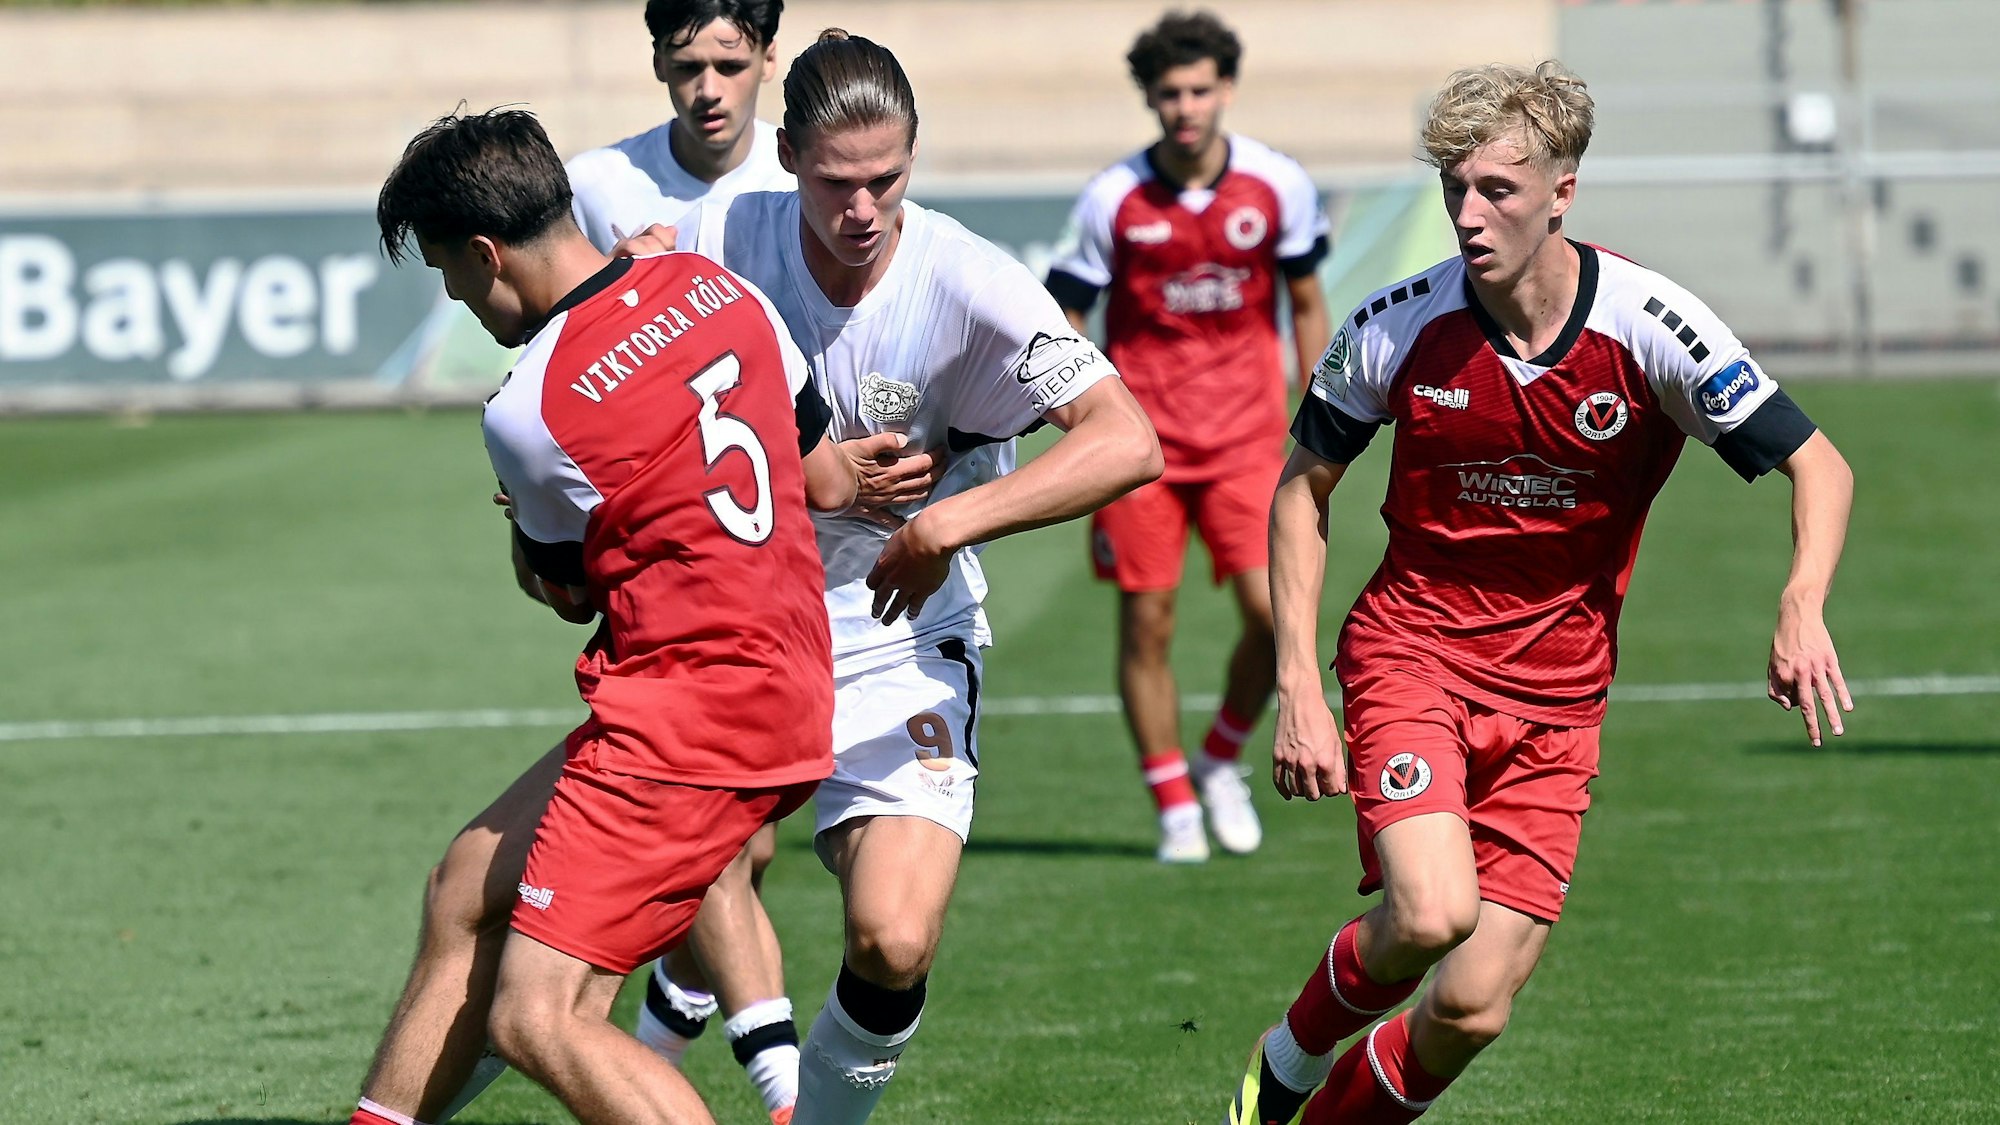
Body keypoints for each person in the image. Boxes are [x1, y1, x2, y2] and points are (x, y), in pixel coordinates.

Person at [1228, 61, 1854, 1124]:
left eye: (1497, 191)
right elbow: (1300, 493)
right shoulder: (1396, 326)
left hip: (1558, 703)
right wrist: (1296, 682)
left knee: (1470, 1008)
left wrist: (1801, 601)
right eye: (1453, 189)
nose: (1468, 216)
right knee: (1427, 917)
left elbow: (1818, 465)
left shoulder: (1654, 326)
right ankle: (1285, 1058)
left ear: (1561, 191)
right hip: (1410, 654)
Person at [628, 28, 1162, 1123]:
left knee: (895, 935)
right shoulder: (716, 232)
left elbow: (1124, 440)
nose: (862, 208)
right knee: (672, 880)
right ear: (786, 157)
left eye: (886, 179)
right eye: (836, 183)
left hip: (896, 632)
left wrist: (944, 523)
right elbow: (609, 322)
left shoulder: (966, 280)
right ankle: (663, 1026)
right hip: (738, 624)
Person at [351, 106, 864, 1125]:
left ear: (487, 252)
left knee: (537, 1018)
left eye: (449, 272)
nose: (455, 295)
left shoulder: (528, 409)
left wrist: (519, 517)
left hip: (688, 719)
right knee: (467, 884)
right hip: (785, 682)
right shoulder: (720, 290)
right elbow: (825, 482)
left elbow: (562, 591)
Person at [565, 3, 850, 1115]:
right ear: (656, 66)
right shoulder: (599, 187)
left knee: (744, 849)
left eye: (731, 63)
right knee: (718, 839)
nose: (709, 86)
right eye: (686, 65)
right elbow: (559, 339)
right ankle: (784, 1087)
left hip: (810, 531)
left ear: (767, 64)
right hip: (678, 554)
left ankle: (656, 1054)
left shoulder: (801, 186)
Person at [1046, 9, 1330, 864]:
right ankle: (1174, 801)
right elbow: (1064, 312)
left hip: (1249, 440)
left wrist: (1324, 429)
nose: (1185, 107)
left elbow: (1309, 306)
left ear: (1226, 90)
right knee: (1150, 624)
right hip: (1142, 453)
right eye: (1169, 93)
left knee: (1272, 615)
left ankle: (1218, 760)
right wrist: (1081, 420)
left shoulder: (1277, 186)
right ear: (1151, 99)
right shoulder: (1112, 199)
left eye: (1200, 89)